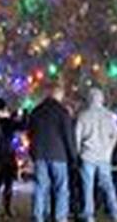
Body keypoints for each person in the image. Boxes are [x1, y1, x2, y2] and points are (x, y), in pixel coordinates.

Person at [27, 84, 76, 222]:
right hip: (59, 155)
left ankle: (38, 216)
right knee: (61, 189)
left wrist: (32, 152)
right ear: (59, 95)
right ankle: (60, 217)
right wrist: (73, 156)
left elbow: (30, 133)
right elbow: (68, 135)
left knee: (40, 188)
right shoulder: (62, 112)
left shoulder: (36, 111)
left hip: (40, 155)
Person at [75, 88, 117, 222]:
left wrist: (79, 152)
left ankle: (89, 215)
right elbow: (115, 135)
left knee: (87, 187)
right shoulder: (109, 115)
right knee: (108, 186)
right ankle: (115, 213)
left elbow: (77, 137)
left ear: (89, 99)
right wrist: (109, 150)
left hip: (88, 155)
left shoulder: (83, 115)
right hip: (104, 156)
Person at [0, 99, 21, 218]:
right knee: (8, 185)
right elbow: (22, 125)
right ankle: (7, 209)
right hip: (8, 156)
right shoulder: (8, 122)